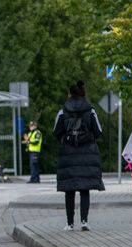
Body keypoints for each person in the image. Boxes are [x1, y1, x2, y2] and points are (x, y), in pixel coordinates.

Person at [52, 80, 104, 231]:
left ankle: (69, 224)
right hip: (87, 153)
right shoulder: (90, 110)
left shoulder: (63, 111)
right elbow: (98, 131)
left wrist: (67, 140)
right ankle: (84, 222)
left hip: (68, 154)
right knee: (84, 189)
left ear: (70, 94)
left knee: (69, 190)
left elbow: (56, 131)